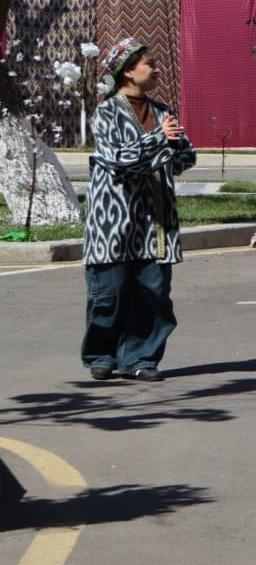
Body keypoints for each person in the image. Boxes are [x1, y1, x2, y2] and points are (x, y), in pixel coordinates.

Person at [80, 38, 195, 383]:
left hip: (155, 222)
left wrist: (173, 146)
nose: (157, 70)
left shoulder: (162, 112)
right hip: (113, 221)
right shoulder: (106, 112)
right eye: (150, 64)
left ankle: (141, 358)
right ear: (128, 70)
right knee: (108, 295)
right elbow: (118, 159)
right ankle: (102, 354)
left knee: (153, 294)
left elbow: (185, 158)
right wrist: (158, 141)